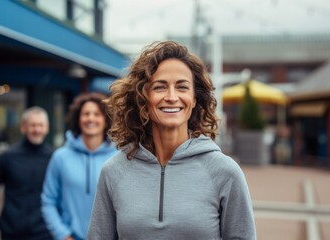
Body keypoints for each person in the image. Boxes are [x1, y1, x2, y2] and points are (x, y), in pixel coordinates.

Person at [88, 41, 257, 240]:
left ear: (194, 99)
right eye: (160, 87)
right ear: (144, 97)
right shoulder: (114, 171)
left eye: (182, 87)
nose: (171, 97)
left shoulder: (225, 172)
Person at [41, 92, 118, 240]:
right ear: (78, 119)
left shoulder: (118, 157)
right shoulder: (60, 157)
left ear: (105, 120)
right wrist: (62, 235)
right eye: (86, 114)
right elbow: (48, 201)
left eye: (97, 114)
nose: (91, 118)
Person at [0, 106, 53, 240]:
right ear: (23, 128)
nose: (37, 129)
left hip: (45, 232)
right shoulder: (7, 157)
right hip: (12, 232)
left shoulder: (55, 158)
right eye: (32, 125)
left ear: (47, 128)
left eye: (41, 125)